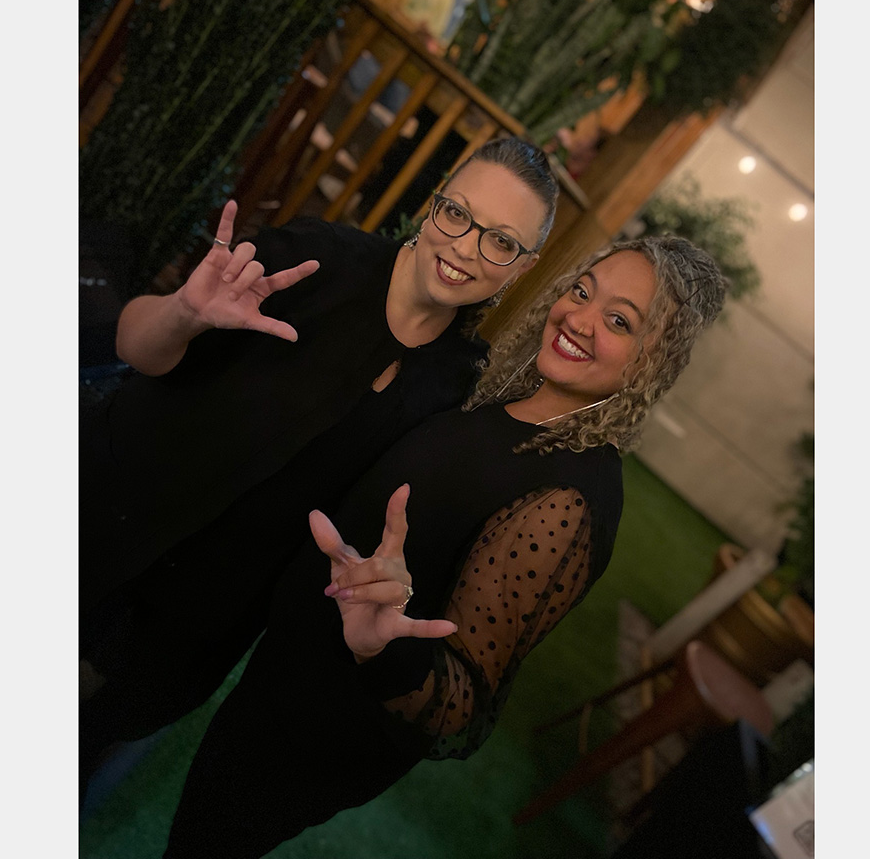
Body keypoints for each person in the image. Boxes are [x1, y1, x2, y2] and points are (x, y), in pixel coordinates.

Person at [157, 235, 729, 858]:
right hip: (287, 673)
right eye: (582, 291)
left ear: (653, 359)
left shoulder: (571, 499)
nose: (581, 319)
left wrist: (384, 641)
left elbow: (458, 704)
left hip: (323, 727)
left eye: (620, 321)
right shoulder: (514, 400)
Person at [80, 137, 556, 618]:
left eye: (501, 241)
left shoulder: (456, 381)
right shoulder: (315, 257)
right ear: (435, 201)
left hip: (196, 619)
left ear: (524, 265)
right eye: (456, 212)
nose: (464, 247)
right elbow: (132, 345)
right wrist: (184, 312)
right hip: (98, 516)